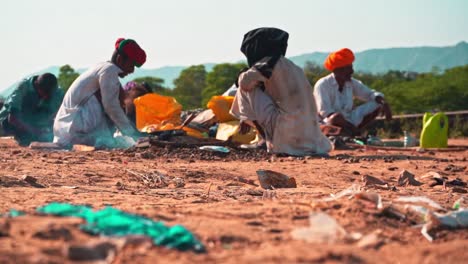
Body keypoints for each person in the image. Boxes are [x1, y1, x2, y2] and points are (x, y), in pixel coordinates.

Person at [229, 27, 332, 156]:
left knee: (244, 88)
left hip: (286, 132)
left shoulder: (267, 64)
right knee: (253, 85)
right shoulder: (293, 67)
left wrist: (245, 118)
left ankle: (266, 141)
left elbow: (244, 83)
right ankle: (268, 139)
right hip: (310, 137)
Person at [53, 38, 146, 148]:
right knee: (121, 143)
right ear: (120, 59)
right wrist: (132, 133)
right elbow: (111, 106)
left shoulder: (102, 68)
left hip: (65, 132)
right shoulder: (109, 70)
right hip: (73, 132)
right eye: (131, 65)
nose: (132, 71)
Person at [314, 48, 392, 136]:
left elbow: (370, 94)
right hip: (327, 122)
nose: (352, 71)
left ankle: (352, 132)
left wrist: (384, 103)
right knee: (336, 117)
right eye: (348, 68)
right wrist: (351, 127)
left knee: (376, 104)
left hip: (349, 120)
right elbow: (325, 112)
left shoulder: (351, 83)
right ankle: (352, 132)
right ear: (338, 70)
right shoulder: (322, 84)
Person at [0, 73, 62, 145]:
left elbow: (60, 114)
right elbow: (12, 119)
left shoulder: (57, 91)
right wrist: (34, 131)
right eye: (44, 93)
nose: (46, 96)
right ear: (36, 85)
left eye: (49, 94)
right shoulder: (23, 87)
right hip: (10, 122)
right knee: (26, 138)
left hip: (35, 123)